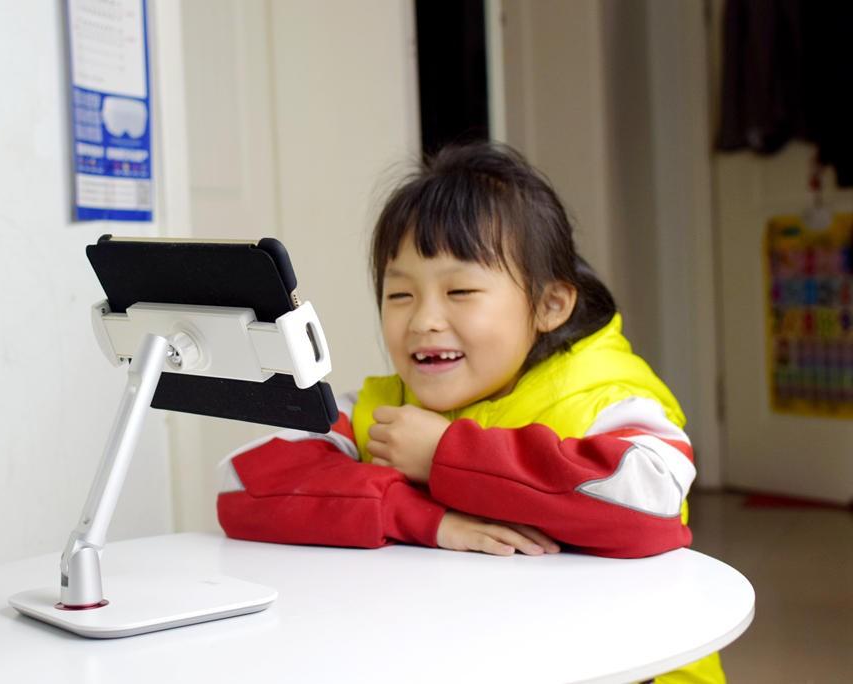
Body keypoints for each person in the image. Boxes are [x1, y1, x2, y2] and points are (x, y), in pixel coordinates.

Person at [217, 142, 723, 683]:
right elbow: (243, 488)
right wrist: (423, 519)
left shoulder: (602, 395)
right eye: (400, 295)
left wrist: (445, 456)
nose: (424, 320)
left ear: (550, 305)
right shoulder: (380, 409)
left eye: (460, 290)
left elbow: (651, 505)